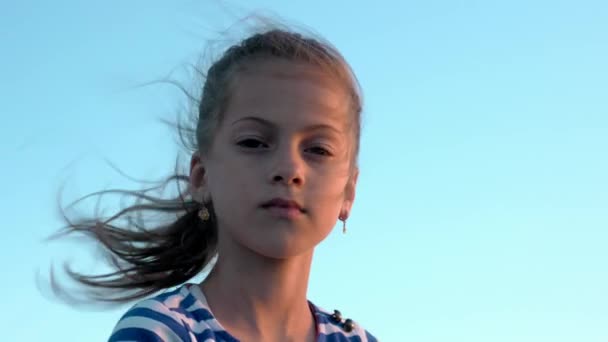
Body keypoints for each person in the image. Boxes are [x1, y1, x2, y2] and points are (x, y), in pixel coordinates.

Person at [57, 26, 377, 342]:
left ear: (349, 191)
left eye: (318, 149)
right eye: (254, 142)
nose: (289, 168)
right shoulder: (160, 330)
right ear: (201, 176)